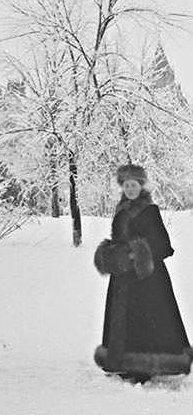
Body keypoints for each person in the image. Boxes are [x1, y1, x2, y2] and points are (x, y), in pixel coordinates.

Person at [94, 164, 192, 383]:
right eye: (126, 185)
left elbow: (165, 246)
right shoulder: (120, 210)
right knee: (123, 319)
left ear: (141, 186)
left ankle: (145, 367)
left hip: (149, 279)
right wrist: (109, 254)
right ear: (123, 187)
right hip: (123, 278)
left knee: (147, 319)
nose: (130, 189)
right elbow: (118, 241)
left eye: (134, 185)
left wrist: (136, 254)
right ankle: (124, 364)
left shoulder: (151, 210)